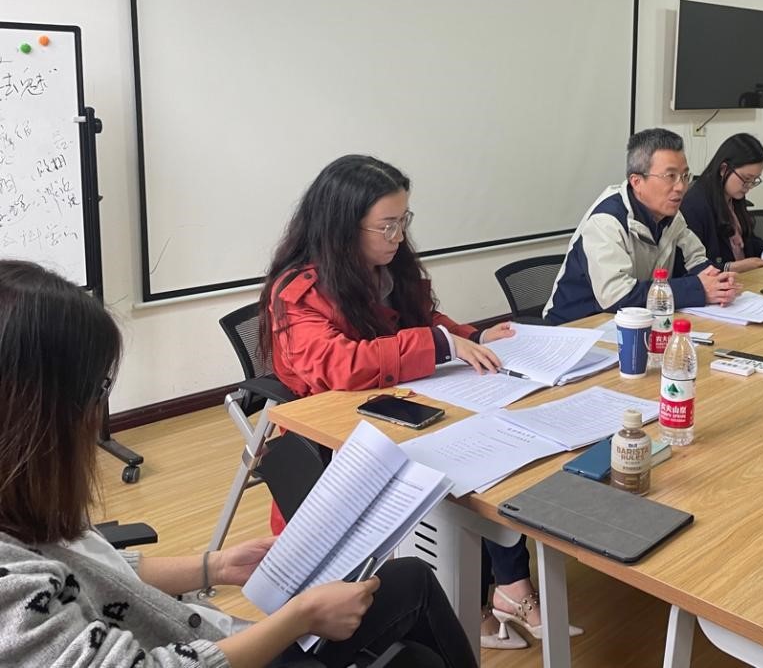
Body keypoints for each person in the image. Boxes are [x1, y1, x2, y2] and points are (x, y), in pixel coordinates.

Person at [0, 259, 477, 668]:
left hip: (199, 633)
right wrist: (300, 618)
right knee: (414, 638)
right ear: (31, 409)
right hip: (204, 653)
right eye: (98, 389)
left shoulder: (18, 504)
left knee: (410, 591)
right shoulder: (305, 289)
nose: (394, 236)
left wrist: (217, 565)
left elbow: (93, 568)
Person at [260, 155, 570, 651]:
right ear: (342, 226)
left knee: (494, 458)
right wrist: (440, 344)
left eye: (403, 220)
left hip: (402, 416)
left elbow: (424, 319)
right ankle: (464, 599)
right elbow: (341, 364)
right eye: (386, 225)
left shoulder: (387, 267)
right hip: (336, 450)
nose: (398, 235)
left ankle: (499, 587)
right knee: (461, 475)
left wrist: (471, 336)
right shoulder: (300, 291)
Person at [544, 128, 737, 324]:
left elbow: (695, 260)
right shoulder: (606, 221)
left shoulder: (670, 215)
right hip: (577, 326)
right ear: (636, 181)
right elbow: (617, 296)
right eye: (670, 176)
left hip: (632, 321)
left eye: (685, 176)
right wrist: (698, 289)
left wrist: (716, 281)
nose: (681, 187)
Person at [680, 133, 763, 274]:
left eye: (754, 180)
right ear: (724, 169)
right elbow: (693, 267)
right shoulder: (694, 205)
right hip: (718, 282)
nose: (748, 186)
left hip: (746, 278)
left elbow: (749, 241)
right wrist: (732, 267)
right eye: (746, 179)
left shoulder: (735, 197)